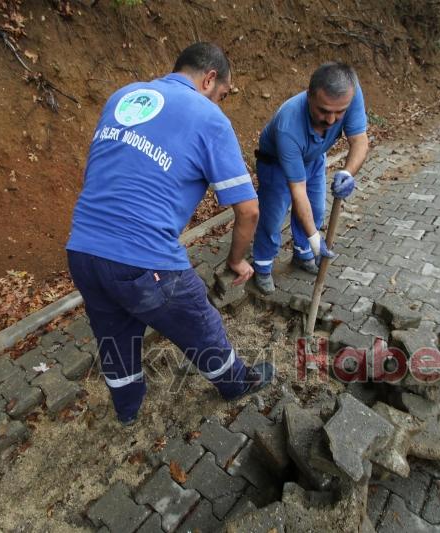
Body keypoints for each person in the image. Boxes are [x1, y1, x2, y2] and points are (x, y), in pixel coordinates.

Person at [66, 43, 274, 426]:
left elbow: (107, 171)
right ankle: (236, 384)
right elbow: (248, 209)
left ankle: (127, 411)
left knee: (115, 336)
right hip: (144, 260)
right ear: (209, 79)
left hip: (82, 250)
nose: (220, 103)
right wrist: (235, 260)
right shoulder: (209, 118)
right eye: (223, 95)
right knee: (201, 324)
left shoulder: (125, 95)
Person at [252, 62, 369, 294]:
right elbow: (298, 192)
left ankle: (302, 254)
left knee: (316, 210)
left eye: (339, 112)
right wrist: (318, 241)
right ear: (309, 97)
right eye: (324, 110)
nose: (332, 120)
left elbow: (359, 140)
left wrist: (347, 173)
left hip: (314, 157)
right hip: (275, 163)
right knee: (272, 219)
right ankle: (263, 267)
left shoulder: (350, 93)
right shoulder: (289, 126)